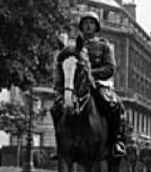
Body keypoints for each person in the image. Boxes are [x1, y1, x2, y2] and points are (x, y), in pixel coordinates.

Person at [54, 12, 126, 157]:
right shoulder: (73, 46)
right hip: (76, 84)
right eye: (85, 23)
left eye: (91, 23)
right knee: (56, 107)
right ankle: (61, 144)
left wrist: (90, 73)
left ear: (96, 27)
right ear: (81, 26)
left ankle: (115, 142)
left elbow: (110, 68)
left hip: (97, 84)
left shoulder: (104, 46)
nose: (88, 25)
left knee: (114, 106)